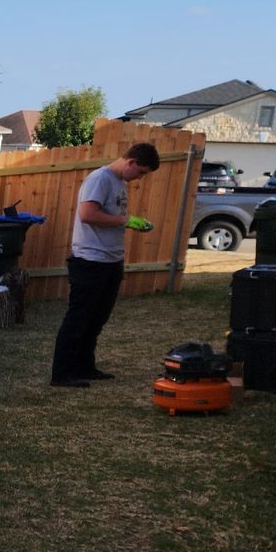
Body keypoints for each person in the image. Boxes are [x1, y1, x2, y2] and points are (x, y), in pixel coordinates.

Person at [51, 141, 160, 387]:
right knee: (79, 318)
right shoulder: (100, 179)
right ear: (131, 162)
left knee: (97, 318)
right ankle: (62, 373)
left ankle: (85, 366)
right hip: (90, 260)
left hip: (111, 260)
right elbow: (87, 215)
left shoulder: (119, 182)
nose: (139, 178)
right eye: (141, 172)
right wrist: (126, 221)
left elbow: (111, 217)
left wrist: (125, 222)